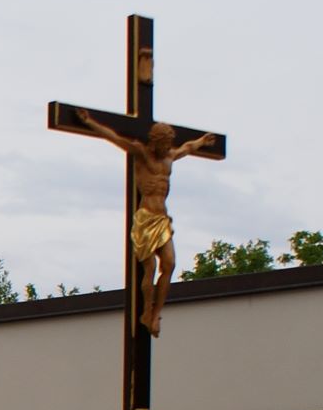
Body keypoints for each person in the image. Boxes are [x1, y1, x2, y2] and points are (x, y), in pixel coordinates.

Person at [73, 110, 219, 335]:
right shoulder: (141, 153)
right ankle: (146, 312)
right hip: (146, 217)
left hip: (162, 218)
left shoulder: (169, 157)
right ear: (155, 141)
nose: (166, 148)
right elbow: (114, 137)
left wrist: (202, 141)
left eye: (169, 144)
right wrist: (89, 122)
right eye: (164, 144)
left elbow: (188, 147)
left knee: (169, 264)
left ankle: (156, 313)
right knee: (149, 268)